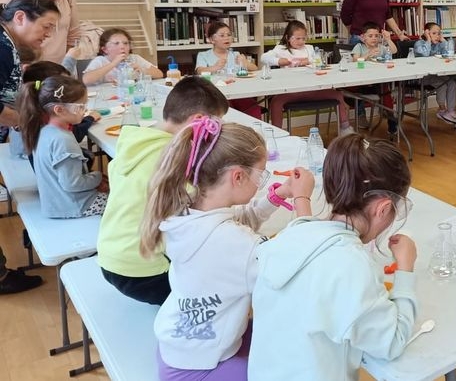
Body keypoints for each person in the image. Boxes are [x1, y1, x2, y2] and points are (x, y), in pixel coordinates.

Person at [140, 117, 313, 380]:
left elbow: (236, 223)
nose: (263, 181)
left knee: (282, 337)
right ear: (238, 177)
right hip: (198, 369)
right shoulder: (237, 244)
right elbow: (297, 273)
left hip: (180, 346)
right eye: (261, 174)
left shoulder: (184, 212)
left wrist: (276, 197)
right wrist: (303, 199)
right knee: (302, 361)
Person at [249, 134, 418, 381]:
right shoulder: (353, 265)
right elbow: (391, 343)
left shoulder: (287, 237)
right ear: (383, 208)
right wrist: (405, 270)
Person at [97, 76, 229, 305]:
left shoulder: (136, 143)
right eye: (215, 124)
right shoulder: (172, 159)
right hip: (145, 273)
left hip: (110, 259)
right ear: (198, 120)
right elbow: (204, 204)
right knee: (225, 286)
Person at [16, 75, 108, 218]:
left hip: (56, 203)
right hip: (74, 205)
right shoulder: (62, 139)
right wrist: (97, 177)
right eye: (81, 106)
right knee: (130, 202)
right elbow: (72, 184)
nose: (85, 110)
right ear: (59, 110)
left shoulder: (44, 130)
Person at [261, 20, 355, 135]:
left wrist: (309, 61)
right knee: (276, 102)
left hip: (313, 89)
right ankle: (277, 133)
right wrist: (279, 61)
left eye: (304, 38)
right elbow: (264, 58)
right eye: (297, 38)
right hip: (291, 91)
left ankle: (345, 128)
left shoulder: (309, 48)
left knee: (337, 95)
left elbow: (319, 60)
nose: (301, 42)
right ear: (287, 37)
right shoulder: (281, 49)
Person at [20, 61, 101, 167]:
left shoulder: (36, 109)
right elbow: (75, 134)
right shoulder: (51, 125)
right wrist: (89, 119)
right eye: (64, 83)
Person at [0, 0, 60, 130]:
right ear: (20, 17)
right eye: (46, 26)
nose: (48, 34)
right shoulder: (3, 48)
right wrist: (29, 121)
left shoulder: (8, 44)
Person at [195, 21, 261, 118]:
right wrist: (215, 67)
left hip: (238, 93)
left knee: (254, 108)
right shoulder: (203, 55)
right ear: (212, 39)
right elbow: (199, 71)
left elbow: (255, 69)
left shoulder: (235, 54)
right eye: (222, 35)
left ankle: (253, 132)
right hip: (217, 96)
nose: (227, 38)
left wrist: (245, 63)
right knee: (228, 110)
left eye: (229, 35)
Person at [349, 21, 399, 137]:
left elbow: (394, 51)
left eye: (377, 36)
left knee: (385, 92)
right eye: (370, 36)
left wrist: (388, 39)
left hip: (377, 82)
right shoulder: (359, 47)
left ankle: (391, 119)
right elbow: (355, 61)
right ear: (363, 37)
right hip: (361, 83)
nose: (374, 39)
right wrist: (368, 54)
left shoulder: (381, 48)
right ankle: (361, 114)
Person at [413, 22, 456, 124]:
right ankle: (442, 109)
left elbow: (449, 53)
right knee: (442, 85)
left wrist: (443, 40)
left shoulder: (439, 44)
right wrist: (428, 40)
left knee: (452, 82)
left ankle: (451, 111)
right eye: (434, 33)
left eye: (439, 33)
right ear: (426, 33)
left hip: (437, 74)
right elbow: (425, 54)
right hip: (423, 76)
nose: (437, 36)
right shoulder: (419, 43)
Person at [82, 28, 163, 85]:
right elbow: (86, 80)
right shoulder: (100, 61)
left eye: (125, 43)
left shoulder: (134, 58)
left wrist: (142, 70)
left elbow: (160, 74)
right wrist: (113, 64)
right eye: (116, 43)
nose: (122, 47)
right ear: (105, 49)